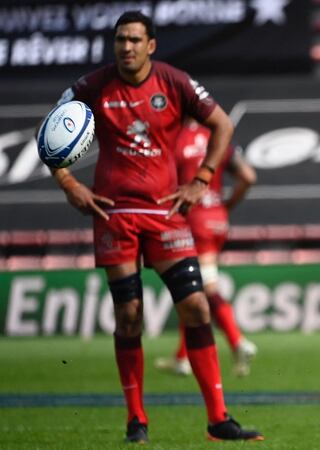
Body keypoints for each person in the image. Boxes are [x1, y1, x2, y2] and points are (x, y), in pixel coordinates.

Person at [48, 11, 263, 443]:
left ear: (151, 45)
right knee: (129, 317)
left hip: (165, 214)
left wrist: (201, 179)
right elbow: (50, 129)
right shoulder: (93, 85)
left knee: (198, 308)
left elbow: (221, 124)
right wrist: (69, 182)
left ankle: (219, 420)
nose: (125, 47)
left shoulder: (175, 81)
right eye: (119, 40)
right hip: (116, 215)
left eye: (133, 39)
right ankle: (136, 420)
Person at [155, 119, 258, 378]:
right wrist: (226, 205)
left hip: (193, 220)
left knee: (202, 288)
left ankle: (238, 341)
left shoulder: (173, 139)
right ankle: (182, 357)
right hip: (217, 219)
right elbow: (248, 176)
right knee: (192, 288)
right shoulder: (217, 137)